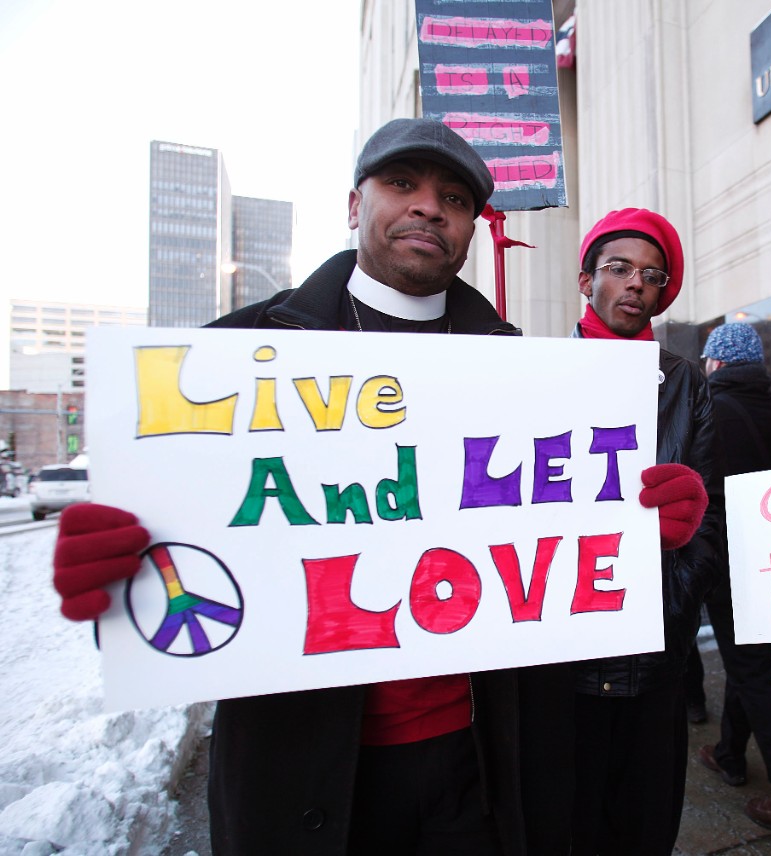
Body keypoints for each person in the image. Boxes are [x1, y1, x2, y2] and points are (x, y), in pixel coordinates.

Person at [50, 120, 708, 856]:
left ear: (469, 230)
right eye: (402, 184)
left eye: (454, 198)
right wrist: (116, 566)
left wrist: (640, 523)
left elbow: (559, 536)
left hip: (478, 767)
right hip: (305, 772)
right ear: (354, 204)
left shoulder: (526, 376)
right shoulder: (230, 358)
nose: (428, 206)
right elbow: (182, 552)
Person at [570, 208, 724, 855]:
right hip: (563, 658)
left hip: (653, 656)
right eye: (620, 268)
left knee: (642, 827)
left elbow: (708, 518)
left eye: (652, 275)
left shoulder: (686, 384)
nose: (636, 282)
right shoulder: (540, 371)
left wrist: (669, 612)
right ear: (587, 281)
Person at [689, 322, 771, 832]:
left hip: (726, 563)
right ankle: (729, 754)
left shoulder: (707, 412)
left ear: (717, 362)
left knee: (751, 673)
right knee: (749, 661)